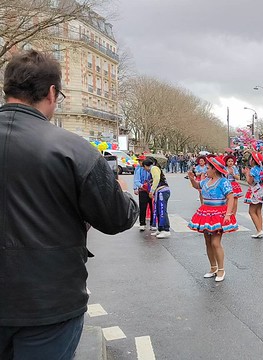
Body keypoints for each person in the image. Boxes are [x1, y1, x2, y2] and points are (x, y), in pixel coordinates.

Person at [0, 50, 138, 359]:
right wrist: (126, 196)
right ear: (51, 92)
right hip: (48, 301)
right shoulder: (75, 150)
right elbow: (116, 218)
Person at [188, 155, 238, 281]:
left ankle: (221, 270)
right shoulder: (205, 181)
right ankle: (213, 267)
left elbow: (230, 197)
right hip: (205, 212)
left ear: (214, 169)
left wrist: (228, 214)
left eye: (208, 168)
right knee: (208, 242)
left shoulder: (223, 182)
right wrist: (191, 179)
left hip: (218, 214)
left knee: (216, 242)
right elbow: (197, 185)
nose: (206, 170)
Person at [243, 152, 263, 238]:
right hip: (262, 191)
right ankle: (259, 229)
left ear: (253, 160)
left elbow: (249, 181)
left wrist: (246, 173)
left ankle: (259, 230)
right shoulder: (262, 170)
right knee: (258, 211)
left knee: (251, 211)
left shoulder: (253, 170)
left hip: (255, 192)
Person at [143, 158, 171, 238]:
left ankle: (166, 229)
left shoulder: (154, 168)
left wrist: (152, 191)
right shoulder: (153, 169)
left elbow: (156, 179)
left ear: (145, 166)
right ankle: (160, 228)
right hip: (159, 192)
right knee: (158, 210)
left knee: (162, 210)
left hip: (162, 191)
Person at [134, 155, 152, 231]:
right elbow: (136, 180)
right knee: (142, 207)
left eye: (141, 161)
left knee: (152, 207)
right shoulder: (138, 170)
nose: (140, 162)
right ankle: (142, 223)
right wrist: (138, 187)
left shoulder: (151, 170)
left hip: (151, 190)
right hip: (143, 190)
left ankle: (152, 223)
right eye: (139, 161)